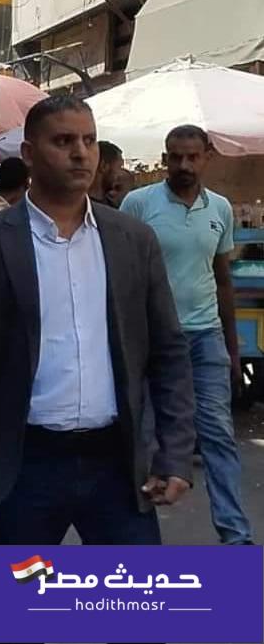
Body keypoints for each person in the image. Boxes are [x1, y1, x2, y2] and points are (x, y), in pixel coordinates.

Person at [0, 95, 196, 545]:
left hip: (117, 464)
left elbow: (168, 352)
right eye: (64, 141)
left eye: (89, 141)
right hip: (24, 465)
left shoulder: (132, 240)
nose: (81, 153)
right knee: (27, 586)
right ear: (29, 154)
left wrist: (175, 452)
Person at [121, 124, 254, 545]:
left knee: (218, 436)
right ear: (164, 159)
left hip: (204, 337)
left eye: (192, 157)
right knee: (142, 437)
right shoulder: (138, 204)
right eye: (175, 157)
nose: (184, 165)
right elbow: (119, 276)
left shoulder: (220, 209)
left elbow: (222, 279)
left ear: (206, 158)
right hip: (150, 339)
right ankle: (136, 535)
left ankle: (235, 535)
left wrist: (232, 350)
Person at [88, 140, 123, 206]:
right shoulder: (77, 207)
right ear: (103, 166)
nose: (121, 174)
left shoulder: (113, 206)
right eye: (119, 167)